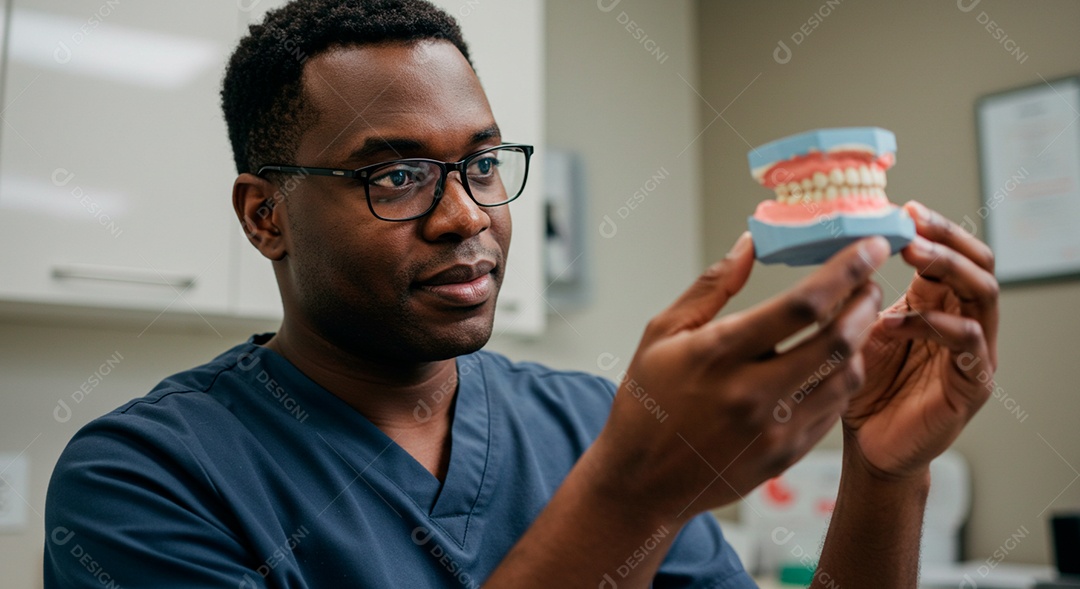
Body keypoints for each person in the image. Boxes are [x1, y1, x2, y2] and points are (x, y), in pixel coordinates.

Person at [44, 0, 999, 587]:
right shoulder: (142, 480)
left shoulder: (594, 418)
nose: (467, 215)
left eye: (483, 164)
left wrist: (884, 475)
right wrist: (628, 494)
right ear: (266, 216)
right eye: (397, 175)